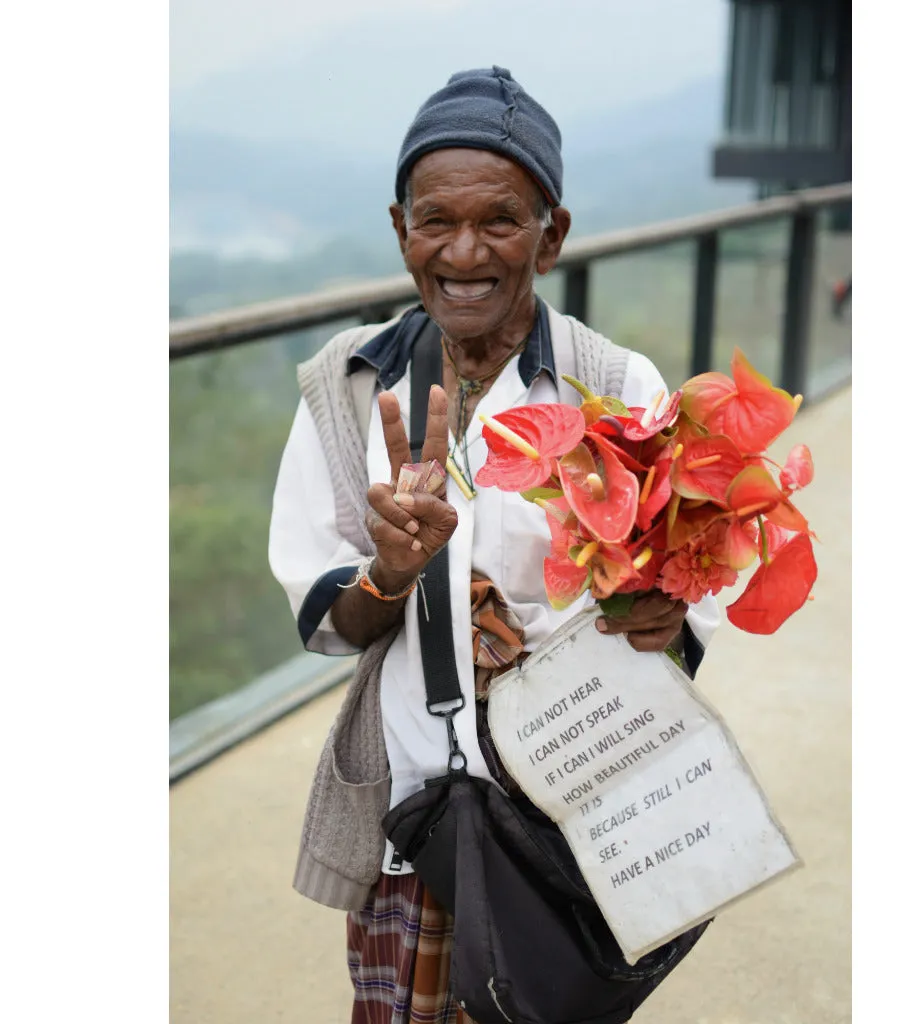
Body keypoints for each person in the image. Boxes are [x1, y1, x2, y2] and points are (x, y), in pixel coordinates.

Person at [268, 66, 720, 1024]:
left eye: (502, 221)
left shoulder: (612, 386)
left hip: (571, 805)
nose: (464, 251)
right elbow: (327, 618)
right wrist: (388, 574)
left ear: (551, 235)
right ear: (402, 229)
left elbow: (684, 612)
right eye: (436, 221)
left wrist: (661, 612)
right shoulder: (348, 389)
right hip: (417, 810)